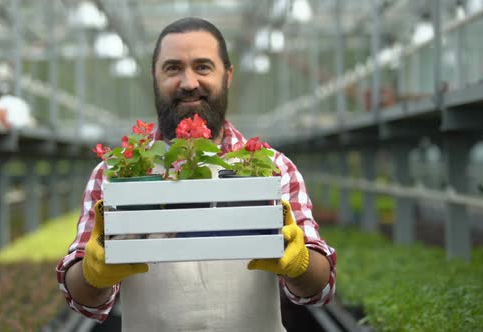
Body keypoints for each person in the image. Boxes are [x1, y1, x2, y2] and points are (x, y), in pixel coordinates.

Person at [57, 17, 336, 331]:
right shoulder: (115, 174)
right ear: (154, 77)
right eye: (173, 68)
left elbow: (319, 290)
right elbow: (82, 299)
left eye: (203, 67)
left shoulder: (272, 167)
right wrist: (93, 272)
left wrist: (299, 263)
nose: (188, 82)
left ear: (227, 76)